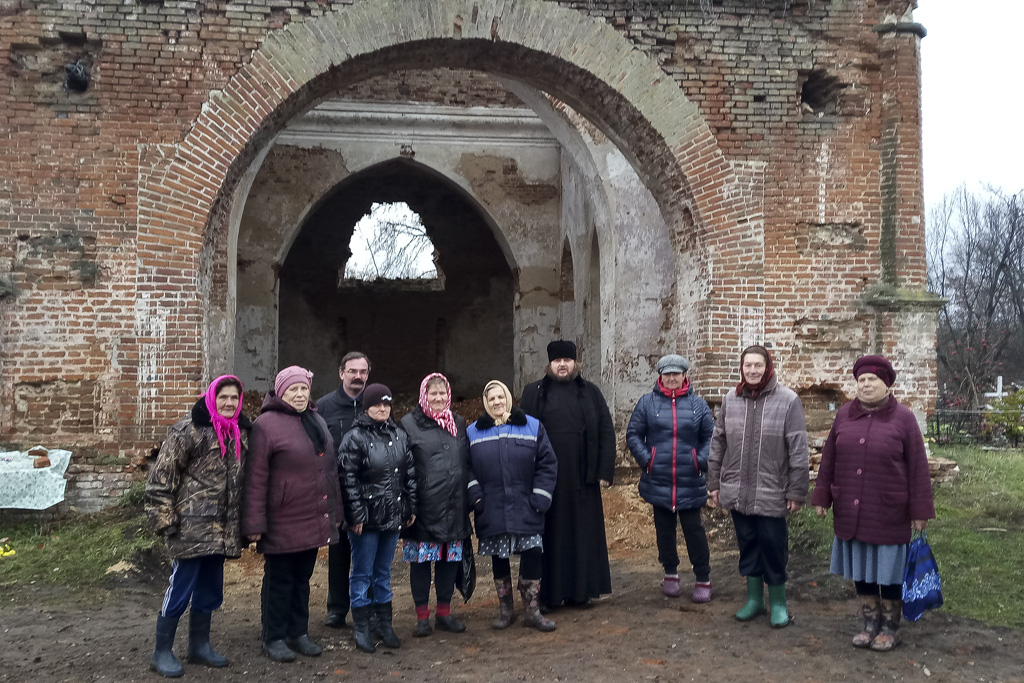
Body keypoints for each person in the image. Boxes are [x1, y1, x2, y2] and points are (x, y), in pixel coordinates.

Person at [813, 355, 935, 652]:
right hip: (850, 509)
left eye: (872, 380)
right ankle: (870, 622)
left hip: (888, 510)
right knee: (861, 568)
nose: (866, 385)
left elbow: (918, 466)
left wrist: (920, 511)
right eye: (861, 380)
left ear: (887, 385)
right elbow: (829, 459)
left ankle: (891, 626)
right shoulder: (844, 414)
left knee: (889, 571)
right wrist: (821, 497)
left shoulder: (903, 418)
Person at [146, 375, 250, 677]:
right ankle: (161, 651)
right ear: (211, 398)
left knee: (210, 590)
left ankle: (199, 646)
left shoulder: (241, 433)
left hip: (222, 530)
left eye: (234, 398)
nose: (229, 403)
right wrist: (166, 523)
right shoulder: (187, 431)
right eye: (223, 397)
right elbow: (160, 481)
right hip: (189, 528)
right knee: (180, 589)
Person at [242, 366, 343, 663]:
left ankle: (298, 632)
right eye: (292, 390)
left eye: (303, 389)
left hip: (312, 518)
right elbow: (256, 478)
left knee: (303, 578)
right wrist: (254, 523)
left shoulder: (317, 420)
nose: (299, 395)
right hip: (281, 520)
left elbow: (330, 472)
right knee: (279, 581)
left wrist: (334, 512)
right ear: (280, 392)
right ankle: (273, 636)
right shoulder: (265, 425)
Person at [707, 345, 809, 628]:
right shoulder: (731, 398)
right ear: (742, 368)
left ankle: (778, 603)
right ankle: (754, 600)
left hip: (772, 490)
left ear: (768, 367)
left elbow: (798, 448)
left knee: (773, 546)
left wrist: (797, 490)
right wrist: (714, 481)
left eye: (758, 365)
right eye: (747, 365)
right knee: (748, 544)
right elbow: (718, 443)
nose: (752, 371)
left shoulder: (788, 400)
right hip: (738, 489)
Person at [520, 339, 615, 610]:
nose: (562, 365)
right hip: (545, 480)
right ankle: (548, 595)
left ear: (576, 363)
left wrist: (604, 470)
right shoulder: (534, 392)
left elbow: (606, 431)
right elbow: (523, 434)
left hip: (582, 477)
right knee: (548, 537)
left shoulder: (591, 393)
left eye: (567, 360)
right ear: (549, 364)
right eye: (557, 361)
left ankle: (580, 592)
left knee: (581, 533)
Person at [467, 380, 559, 632]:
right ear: (486, 403)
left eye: (500, 397)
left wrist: (540, 497)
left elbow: (547, 463)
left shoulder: (532, 426)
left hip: (526, 505)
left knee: (532, 553)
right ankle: (505, 609)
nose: (497, 402)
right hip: (491, 506)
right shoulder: (473, 432)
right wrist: (476, 496)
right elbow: (466, 468)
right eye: (491, 398)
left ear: (508, 398)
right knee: (499, 556)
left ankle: (532, 609)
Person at [626, 354, 715, 602]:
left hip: (690, 479)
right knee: (664, 532)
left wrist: (701, 460)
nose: (672, 378)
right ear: (660, 376)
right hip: (659, 480)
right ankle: (670, 573)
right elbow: (633, 434)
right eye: (668, 374)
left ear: (685, 375)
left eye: (677, 373)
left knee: (694, 531)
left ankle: (703, 578)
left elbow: (711, 436)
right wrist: (648, 459)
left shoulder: (698, 405)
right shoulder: (647, 404)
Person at [339, 383, 417, 654]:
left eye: (386, 404)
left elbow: (409, 475)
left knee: (383, 573)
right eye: (377, 404)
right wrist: (355, 514)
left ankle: (384, 624)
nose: (382, 409)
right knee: (362, 573)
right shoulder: (354, 437)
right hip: (366, 519)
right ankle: (361, 627)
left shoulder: (398, 434)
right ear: (366, 407)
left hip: (393, 516)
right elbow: (346, 479)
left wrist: (410, 507)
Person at [399, 373, 473, 637]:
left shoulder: (458, 422)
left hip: (454, 507)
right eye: (433, 394)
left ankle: (444, 613)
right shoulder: (408, 424)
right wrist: (409, 506)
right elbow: (403, 469)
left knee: (448, 562)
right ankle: (422, 617)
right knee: (421, 563)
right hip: (423, 510)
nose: (439, 398)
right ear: (423, 396)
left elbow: (467, 463)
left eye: (443, 393)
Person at [316, 351, 371, 629]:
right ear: (341, 373)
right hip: (337, 492)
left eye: (362, 372)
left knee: (369, 555)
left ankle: (369, 606)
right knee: (338, 554)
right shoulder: (324, 406)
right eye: (352, 371)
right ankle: (336, 608)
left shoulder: (375, 404)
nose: (358, 377)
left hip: (369, 492)